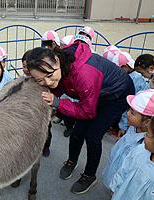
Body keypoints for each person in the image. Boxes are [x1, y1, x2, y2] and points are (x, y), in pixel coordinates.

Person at [26, 41, 135, 194]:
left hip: (116, 95)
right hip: (94, 92)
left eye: (50, 75)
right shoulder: (59, 62)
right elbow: (58, 85)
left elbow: (87, 111)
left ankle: (89, 175)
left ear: (56, 60)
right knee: (78, 132)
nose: (48, 82)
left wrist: (57, 103)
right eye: (40, 80)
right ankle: (72, 161)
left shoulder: (84, 74)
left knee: (93, 136)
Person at [102, 89, 153, 190]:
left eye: (133, 113)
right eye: (129, 109)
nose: (128, 113)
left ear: (147, 121)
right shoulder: (134, 126)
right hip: (115, 166)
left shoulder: (145, 144)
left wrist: (118, 187)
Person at [109, 117, 154, 199]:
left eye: (148, 134)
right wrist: (114, 186)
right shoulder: (140, 149)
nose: (144, 135)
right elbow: (124, 168)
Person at [112, 51, 147, 136]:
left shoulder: (136, 79)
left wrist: (123, 126)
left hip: (130, 119)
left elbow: (130, 105)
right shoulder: (130, 76)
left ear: (125, 66)